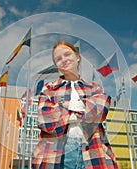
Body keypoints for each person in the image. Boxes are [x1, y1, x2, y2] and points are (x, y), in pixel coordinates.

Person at [32, 41, 118, 169]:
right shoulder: (48, 89)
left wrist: (65, 107)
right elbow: (47, 121)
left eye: (67, 54)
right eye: (58, 59)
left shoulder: (94, 87)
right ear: (56, 65)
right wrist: (84, 110)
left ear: (77, 57)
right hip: (58, 152)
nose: (64, 59)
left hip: (94, 149)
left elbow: (99, 111)